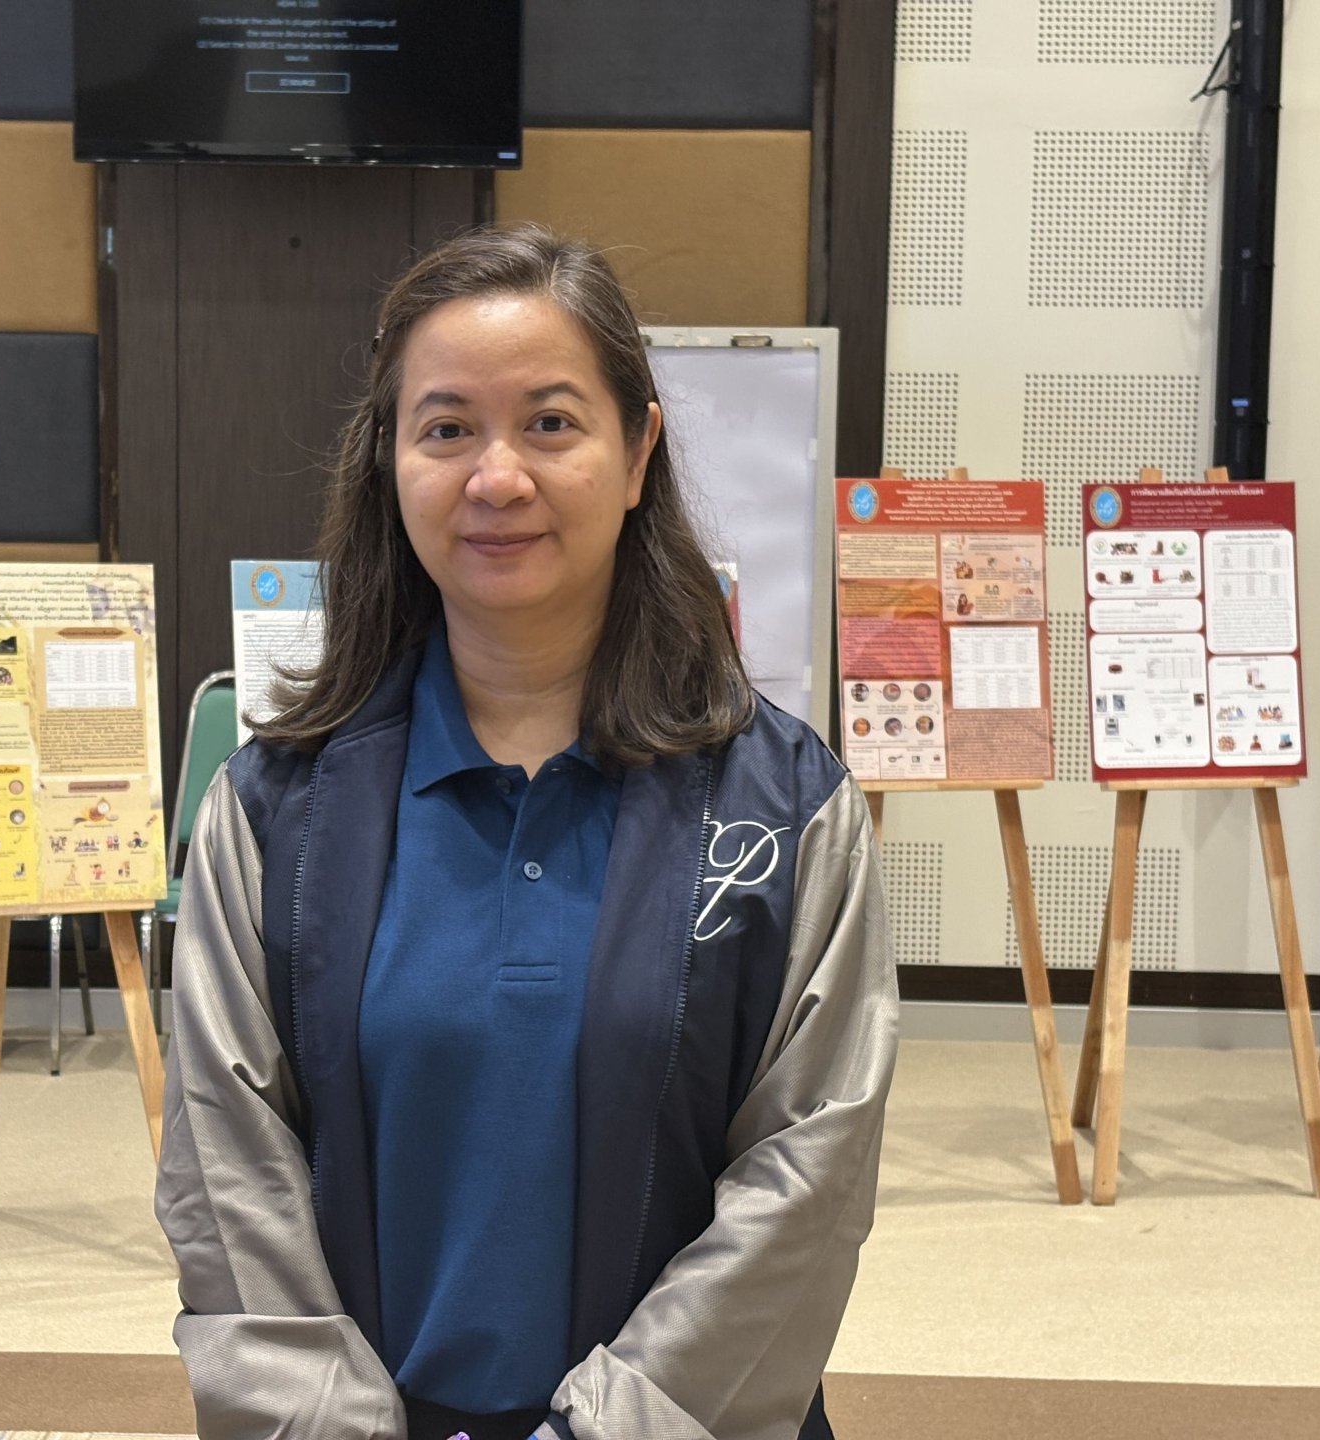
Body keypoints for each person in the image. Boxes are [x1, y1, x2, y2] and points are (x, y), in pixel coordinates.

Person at [155, 224, 897, 1440]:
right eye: (446, 428)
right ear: (388, 459)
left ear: (638, 449)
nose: (497, 478)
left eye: (551, 423)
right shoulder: (273, 812)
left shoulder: (785, 806)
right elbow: (225, 1176)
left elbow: (808, 1182)